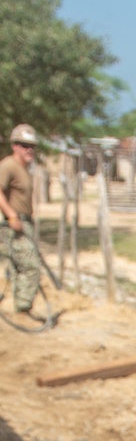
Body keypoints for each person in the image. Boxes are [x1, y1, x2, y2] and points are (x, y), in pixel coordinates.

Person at [0, 124, 42, 318]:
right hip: (14, 223)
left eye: (32, 145)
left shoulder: (25, 168)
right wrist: (11, 215)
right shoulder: (8, 165)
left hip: (24, 221)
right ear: (14, 146)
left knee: (19, 268)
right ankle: (24, 307)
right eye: (24, 145)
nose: (29, 149)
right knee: (30, 266)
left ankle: (21, 310)